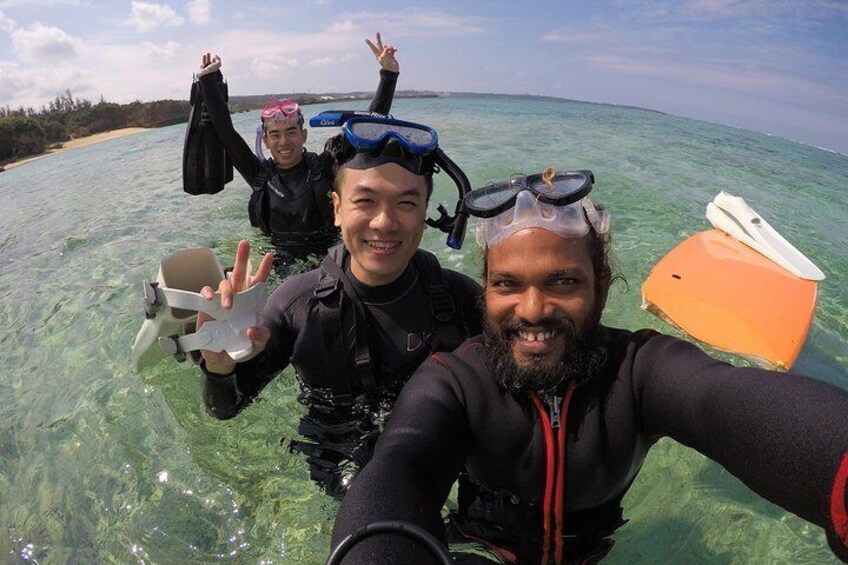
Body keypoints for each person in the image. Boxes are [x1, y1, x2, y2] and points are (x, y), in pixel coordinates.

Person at [330, 167, 848, 563]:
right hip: (476, 549)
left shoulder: (641, 371)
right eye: (507, 284)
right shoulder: (455, 381)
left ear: (601, 284)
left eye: (563, 282)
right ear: (484, 291)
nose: (532, 310)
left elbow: (718, 399)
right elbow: (400, 466)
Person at [195, 115, 483, 500]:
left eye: (406, 203)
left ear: (426, 211)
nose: (384, 222)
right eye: (365, 201)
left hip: (439, 468)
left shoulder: (460, 298)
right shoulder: (296, 305)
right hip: (339, 469)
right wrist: (219, 363)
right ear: (336, 208)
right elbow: (225, 409)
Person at [195, 33, 401, 275]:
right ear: (266, 141)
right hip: (278, 266)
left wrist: (388, 75)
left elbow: (365, 129)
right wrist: (208, 79)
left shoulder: (325, 166)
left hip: (328, 261)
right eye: (275, 134)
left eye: (291, 131)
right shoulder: (259, 175)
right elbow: (225, 132)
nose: (284, 141)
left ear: (303, 135)